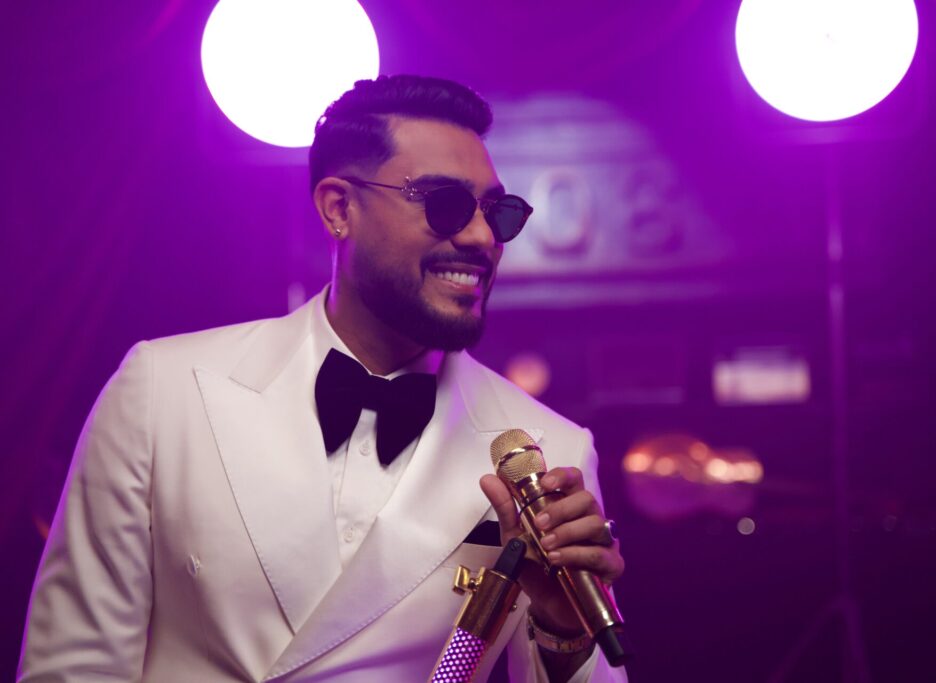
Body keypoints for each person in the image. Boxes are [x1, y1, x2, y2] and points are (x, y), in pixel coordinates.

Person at [19, 74, 626, 682]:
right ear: (340, 208)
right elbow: (72, 666)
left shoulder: (548, 453)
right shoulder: (163, 390)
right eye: (445, 204)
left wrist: (564, 630)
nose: (481, 237)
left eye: (497, 213)